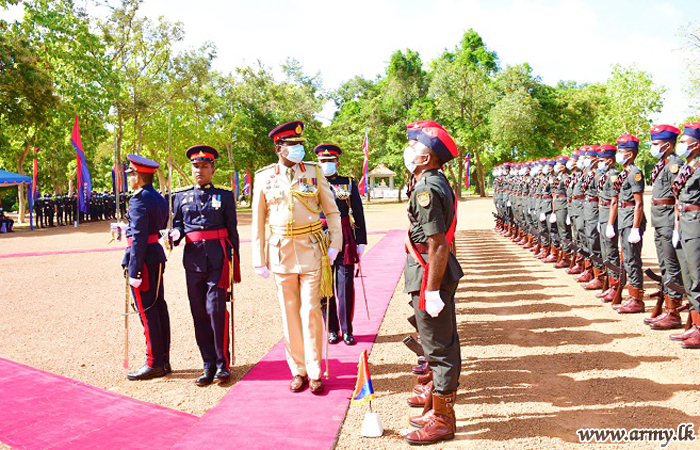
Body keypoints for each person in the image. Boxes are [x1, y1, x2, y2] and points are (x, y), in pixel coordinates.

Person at [252, 121, 342, 395]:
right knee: (289, 312)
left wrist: (335, 244)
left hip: (312, 248)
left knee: (311, 310)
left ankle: (315, 372)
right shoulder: (264, 177)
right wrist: (259, 257)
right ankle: (298, 370)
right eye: (294, 145)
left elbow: (333, 210)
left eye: (301, 145)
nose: (300, 149)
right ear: (279, 148)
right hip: (281, 252)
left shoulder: (314, 172)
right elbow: (258, 222)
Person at [402, 120, 463, 445]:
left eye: (414, 147)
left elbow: (437, 243)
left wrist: (431, 289)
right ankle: (436, 408)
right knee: (441, 344)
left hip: (430, 272)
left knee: (439, 349)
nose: (408, 151)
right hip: (430, 269)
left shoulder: (428, 188)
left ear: (426, 157)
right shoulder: (432, 181)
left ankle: (443, 420)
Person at [171, 145, 241, 386]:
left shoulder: (224, 196)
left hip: (217, 260)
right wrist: (173, 234)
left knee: (216, 311)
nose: (199, 170)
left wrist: (234, 262)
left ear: (213, 169)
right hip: (192, 261)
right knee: (198, 313)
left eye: (204, 166)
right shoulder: (180, 197)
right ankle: (207, 364)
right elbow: (179, 226)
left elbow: (232, 230)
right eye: (195, 166)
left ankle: (222, 364)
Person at [116, 154, 170, 380]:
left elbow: (139, 237)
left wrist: (135, 271)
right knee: (158, 309)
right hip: (155, 256)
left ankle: (153, 362)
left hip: (143, 261)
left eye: (131, 174)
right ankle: (163, 360)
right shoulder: (157, 197)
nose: (129, 178)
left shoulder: (138, 199)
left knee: (147, 312)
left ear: (138, 176)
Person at [314, 143, 367, 346]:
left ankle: (347, 330)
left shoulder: (348, 183)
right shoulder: (310, 183)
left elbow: (358, 213)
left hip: (344, 236)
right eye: (322, 161)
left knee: (345, 285)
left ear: (337, 162)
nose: (326, 164)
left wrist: (361, 241)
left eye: (330, 161)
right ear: (317, 163)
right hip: (319, 236)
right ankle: (331, 329)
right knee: (324, 285)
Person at [645, 125, 685, 329]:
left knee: (672, 266)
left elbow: (679, 198)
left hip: (669, 220)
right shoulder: (663, 164)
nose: (652, 147)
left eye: (655, 144)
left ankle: (674, 312)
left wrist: (678, 227)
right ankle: (667, 308)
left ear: (667, 144)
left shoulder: (675, 166)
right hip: (659, 220)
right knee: (664, 265)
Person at [610, 134, 647, 313]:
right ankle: (631, 296)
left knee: (633, 259)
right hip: (624, 218)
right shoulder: (624, 173)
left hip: (632, 218)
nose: (619, 155)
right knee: (627, 260)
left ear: (630, 154)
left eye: (621, 152)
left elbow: (639, 203)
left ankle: (637, 300)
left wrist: (635, 228)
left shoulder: (635, 173)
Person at [670, 122, 700, 347]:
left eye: (683, 141)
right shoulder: (686, 167)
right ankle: (695, 325)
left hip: (696, 224)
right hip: (684, 224)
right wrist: (677, 226)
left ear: (696, 144)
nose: (680, 145)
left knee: (698, 276)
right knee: (688, 277)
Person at [597, 144, 621, 302]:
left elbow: (614, 201)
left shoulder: (613, 175)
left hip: (609, 214)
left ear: (610, 160)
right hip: (603, 213)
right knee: (605, 249)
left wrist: (611, 224)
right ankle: (609, 282)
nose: (599, 162)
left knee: (611, 250)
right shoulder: (605, 175)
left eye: (602, 160)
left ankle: (615, 286)